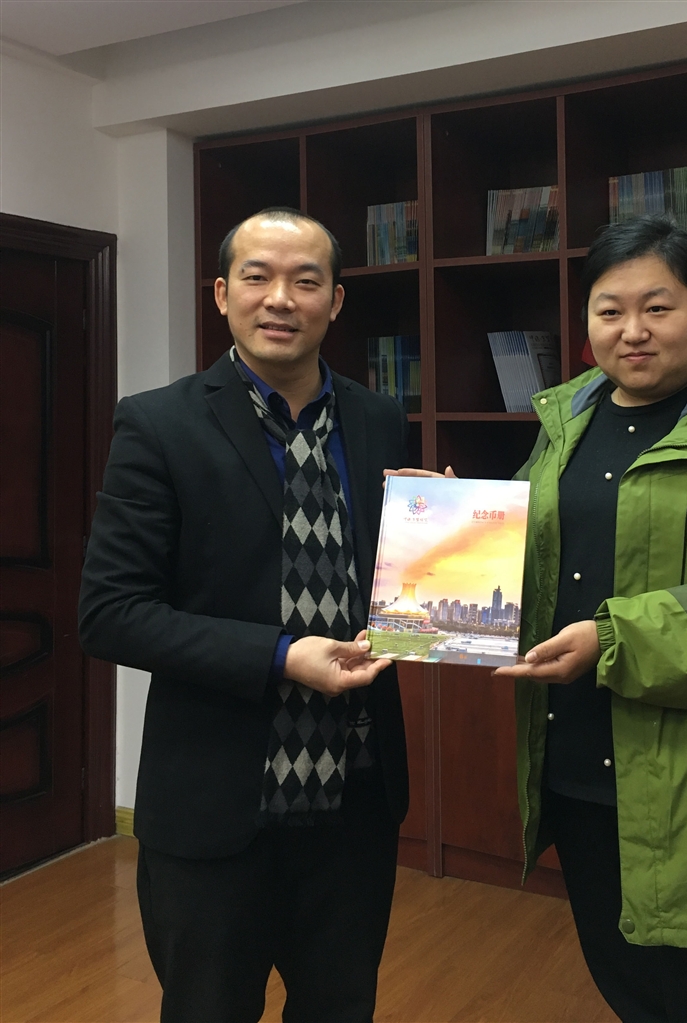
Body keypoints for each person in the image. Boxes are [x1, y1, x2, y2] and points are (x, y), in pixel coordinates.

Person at [393, 215, 687, 1022]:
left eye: (656, 307)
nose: (632, 330)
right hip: (580, 770)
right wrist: (454, 526)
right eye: (609, 310)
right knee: (629, 989)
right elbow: (536, 562)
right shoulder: (567, 419)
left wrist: (611, 637)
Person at [79, 207, 409, 1023]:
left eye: (306, 280)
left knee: (340, 1008)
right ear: (223, 294)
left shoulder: (376, 419)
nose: (280, 298)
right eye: (257, 277)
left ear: (336, 300)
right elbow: (112, 612)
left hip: (353, 798)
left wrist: (431, 538)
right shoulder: (158, 423)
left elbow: (384, 581)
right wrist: (281, 655)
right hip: (215, 805)